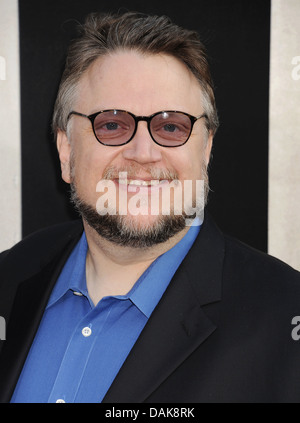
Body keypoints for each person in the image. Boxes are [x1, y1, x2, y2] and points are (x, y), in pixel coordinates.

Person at [0, 11, 300, 404]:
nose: (143, 153)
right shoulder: (10, 276)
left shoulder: (284, 319)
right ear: (66, 150)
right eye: (111, 125)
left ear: (206, 150)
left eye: (171, 127)